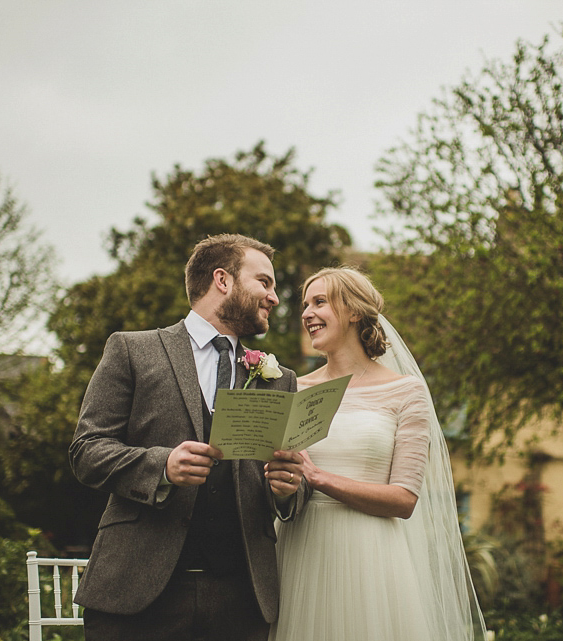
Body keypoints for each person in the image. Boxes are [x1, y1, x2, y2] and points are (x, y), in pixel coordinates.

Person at [70, 234, 308, 641]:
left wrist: (288, 489)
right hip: (136, 594)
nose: (274, 297)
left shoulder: (279, 380)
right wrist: (162, 466)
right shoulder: (132, 350)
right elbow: (86, 451)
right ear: (222, 279)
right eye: (264, 282)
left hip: (241, 599)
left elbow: (287, 485)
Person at [269, 266, 487, 641]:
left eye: (320, 302)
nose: (306, 313)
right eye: (305, 304)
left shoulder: (406, 392)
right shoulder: (292, 389)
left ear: (354, 311)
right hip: (299, 549)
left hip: (369, 555)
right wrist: (281, 485)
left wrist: (319, 477)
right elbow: (279, 479)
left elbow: (403, 499)